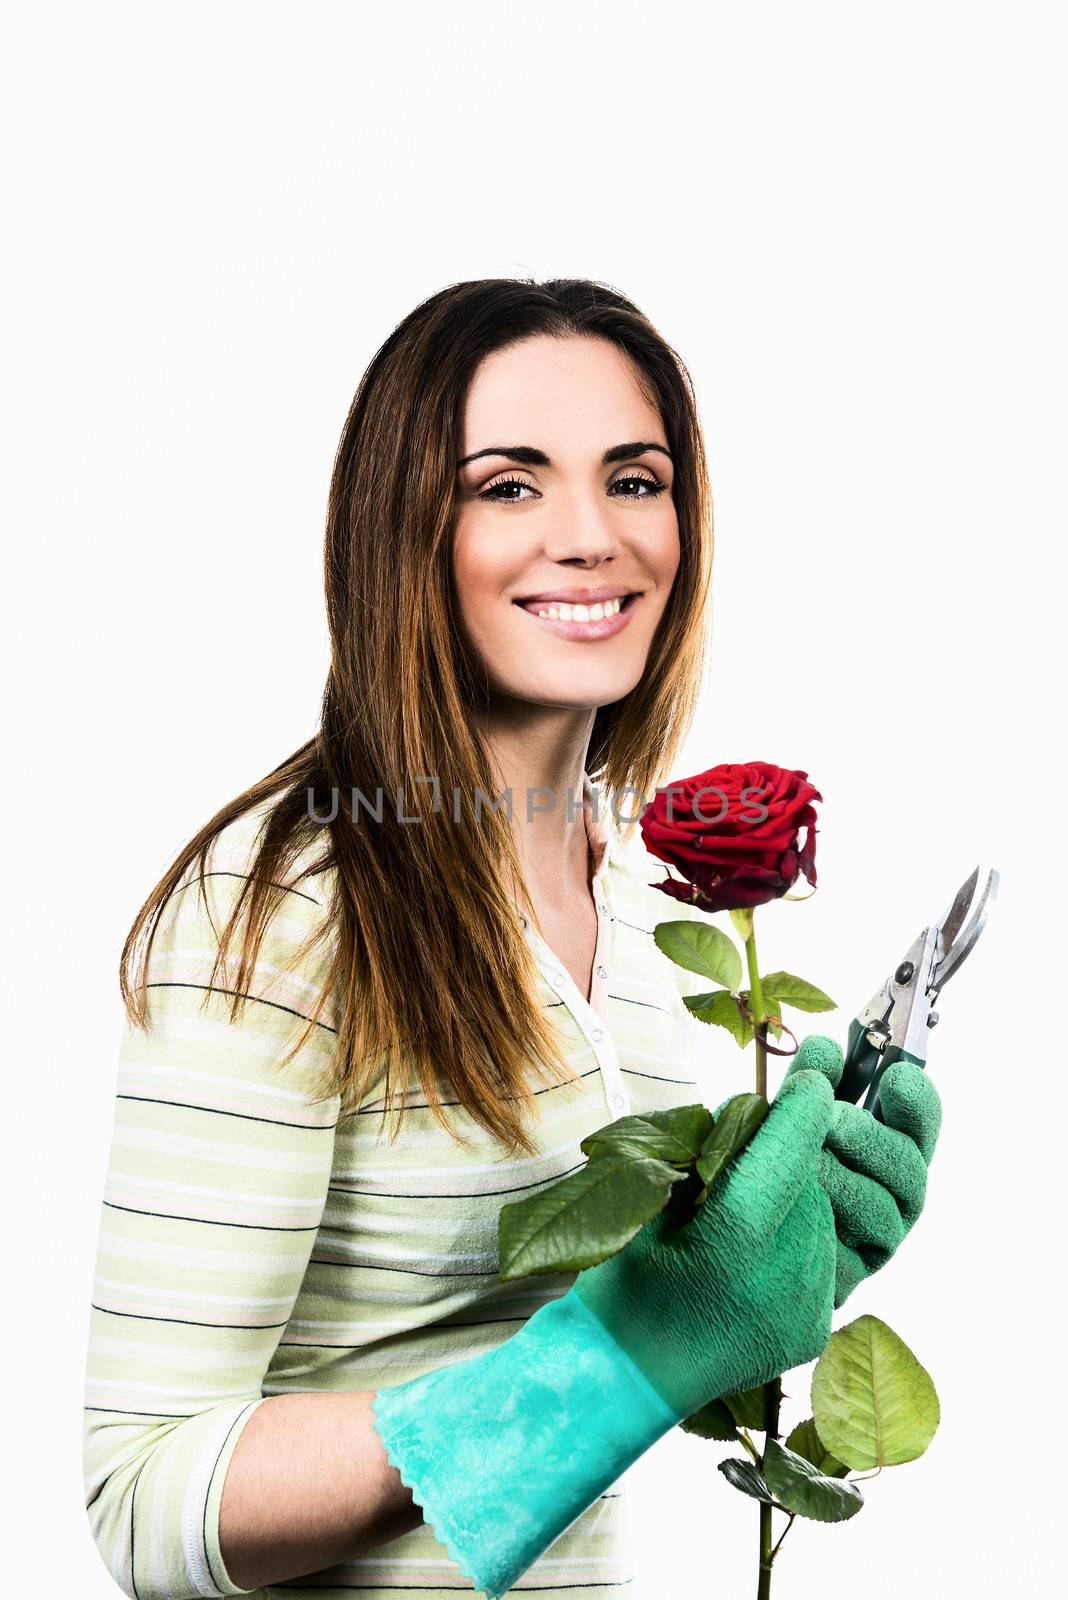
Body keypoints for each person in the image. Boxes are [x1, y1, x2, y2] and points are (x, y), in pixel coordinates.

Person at [82, 278, 941, 1600]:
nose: (592, 536)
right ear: (402, 531)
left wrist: (773, 1271)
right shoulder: (281, 916)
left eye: (636, 480)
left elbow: (613, 1378)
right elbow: (143, 1507)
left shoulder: (658, 910)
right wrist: (635, 1343)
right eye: (510, 485)